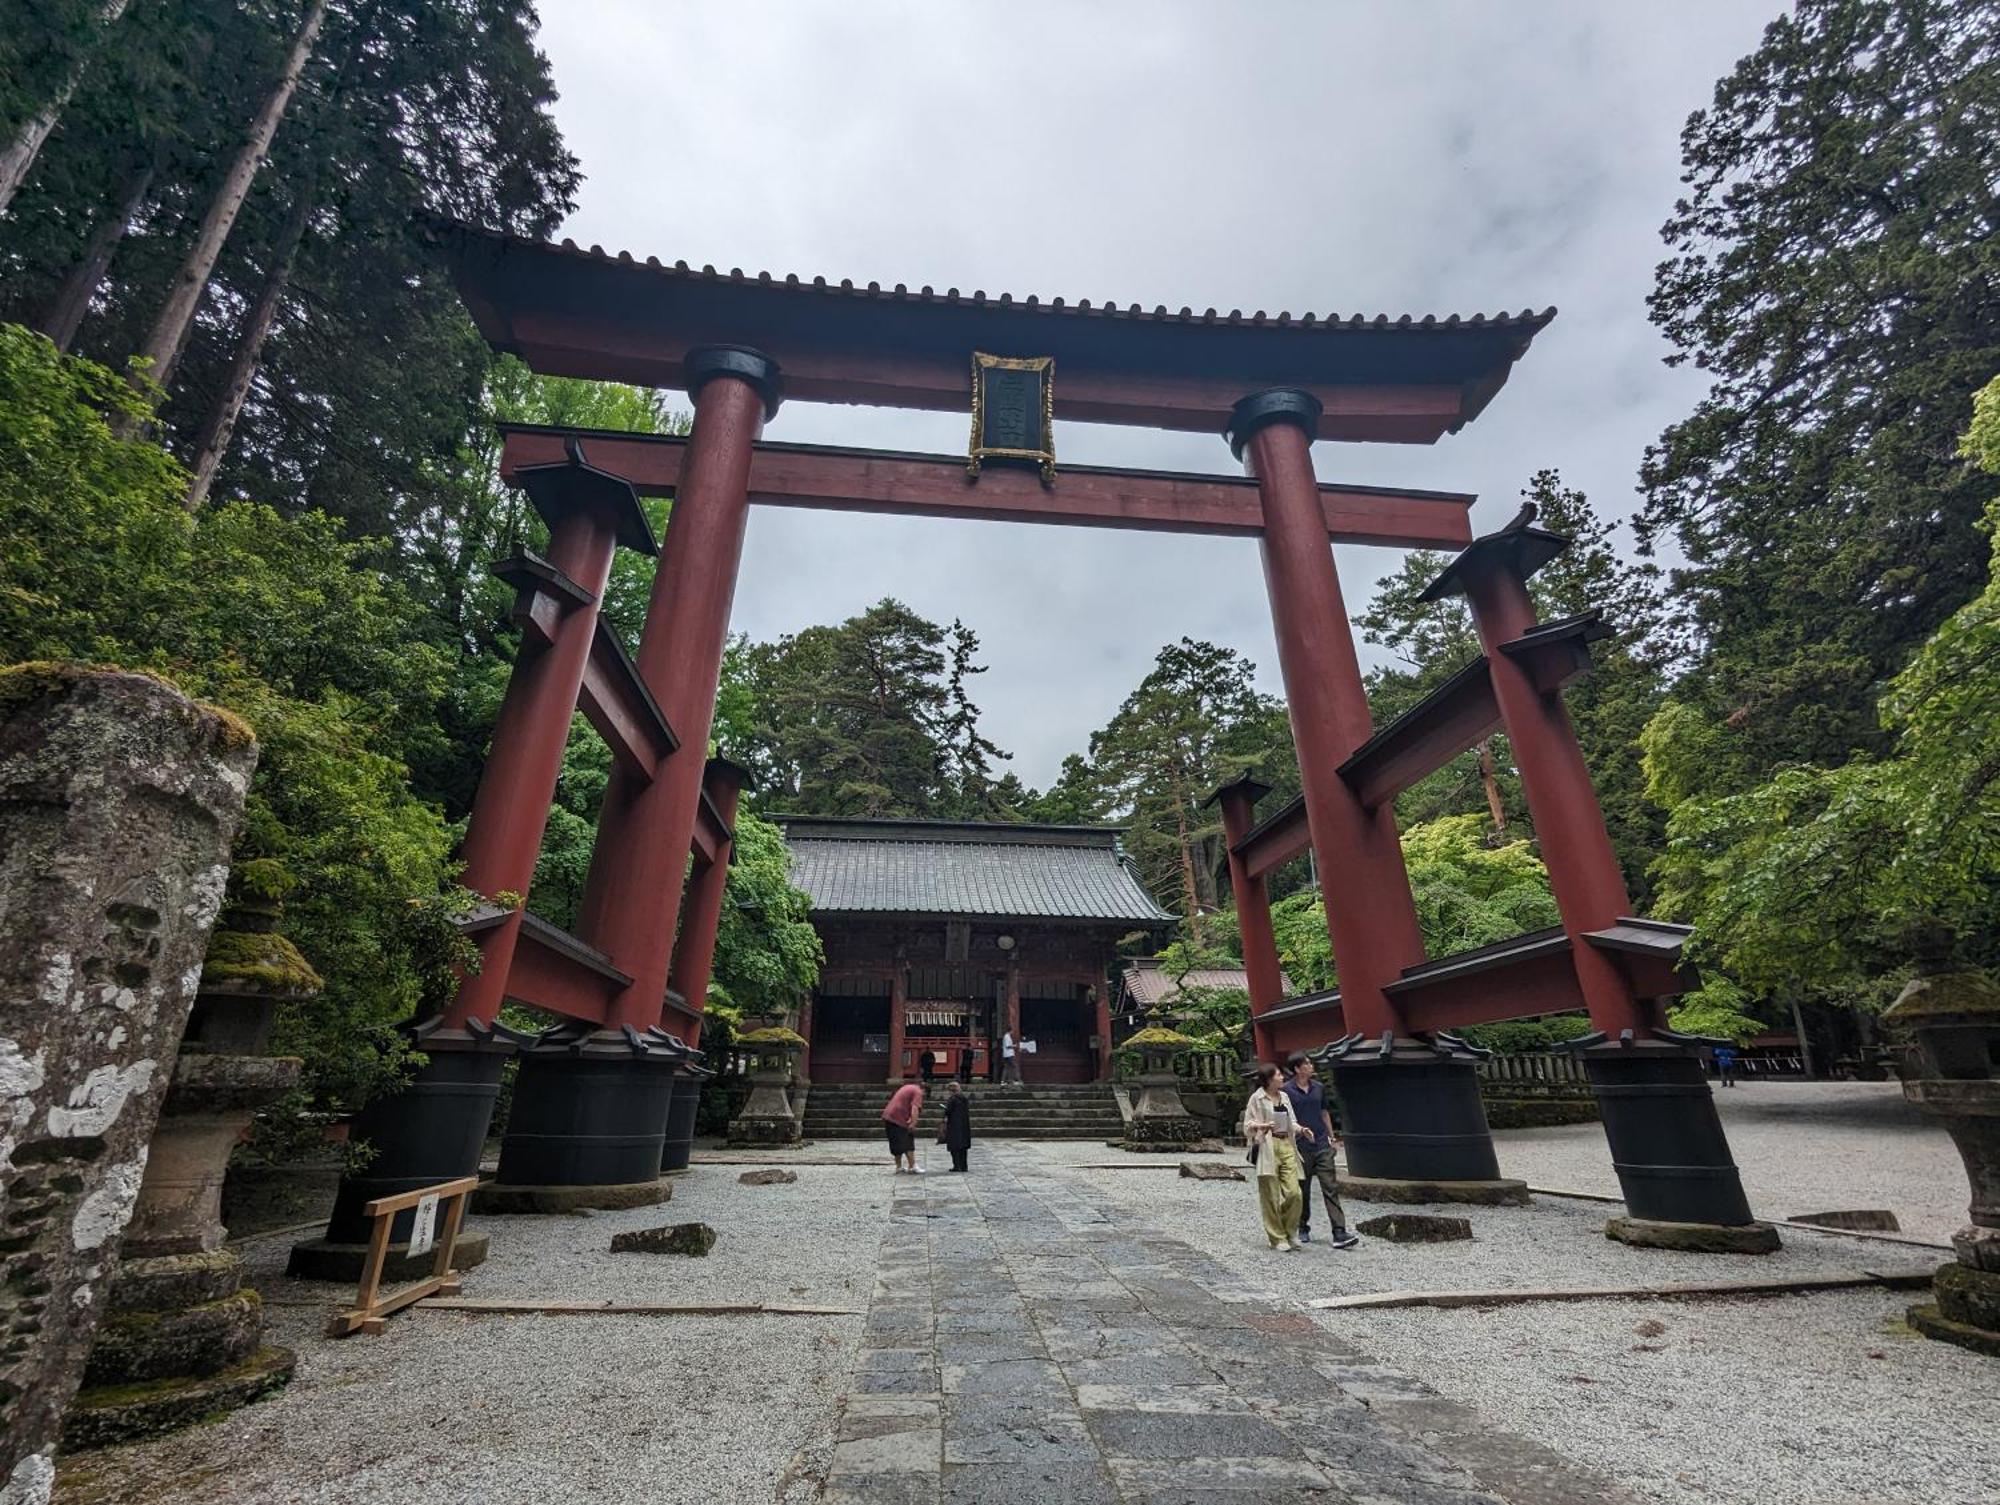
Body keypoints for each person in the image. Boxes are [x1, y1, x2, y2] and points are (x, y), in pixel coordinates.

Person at [1283, 1051, 1360, 1249]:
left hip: (1321, 1143)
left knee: (1330, 1187)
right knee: (1303, 1188)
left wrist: (1331, 1137)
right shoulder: (1286, 1091)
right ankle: (1302, 1226)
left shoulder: (1318, 1088)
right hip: (1300, 1146)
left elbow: (1324, 1112)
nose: (1310, 1066)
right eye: (1306, 1064)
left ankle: (1339, 1231)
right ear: (1297, 1069)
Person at [1242, 1063, 1305, 1252]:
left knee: (1295, 1193)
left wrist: (1302, 1129)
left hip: (1286, 1145)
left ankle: (1289, 1229)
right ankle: (1277, 1237)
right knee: (1270, 1195)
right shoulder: (1257, 1098)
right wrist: (1261, 1126)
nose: (1282, 1077)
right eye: (1278, 1075)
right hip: (1267, 1147)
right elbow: (1247, 1125)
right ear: (1269, 1079)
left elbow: (1291, 1121)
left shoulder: (1284, 1097)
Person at [881, 1079, 925, 1174]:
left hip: (889, 1115)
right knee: (908, 1141)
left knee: (896, 1143)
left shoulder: (906, 1087)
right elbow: (915, 1108)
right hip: (898, 1117)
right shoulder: (918, 1091)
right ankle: (912, 1166)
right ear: (924, 1090)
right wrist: (913, 1123)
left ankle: (899, 1166)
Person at [937, 1079, 972, 1172]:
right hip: (964, 1124)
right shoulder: (964, 1099)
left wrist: (945, 1110)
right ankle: (964, 1166)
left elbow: (948, 1111)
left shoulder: (952, 1099)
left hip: (954, 1124)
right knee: (963, 1147)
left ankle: (957, 1166)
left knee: (954, 1146)